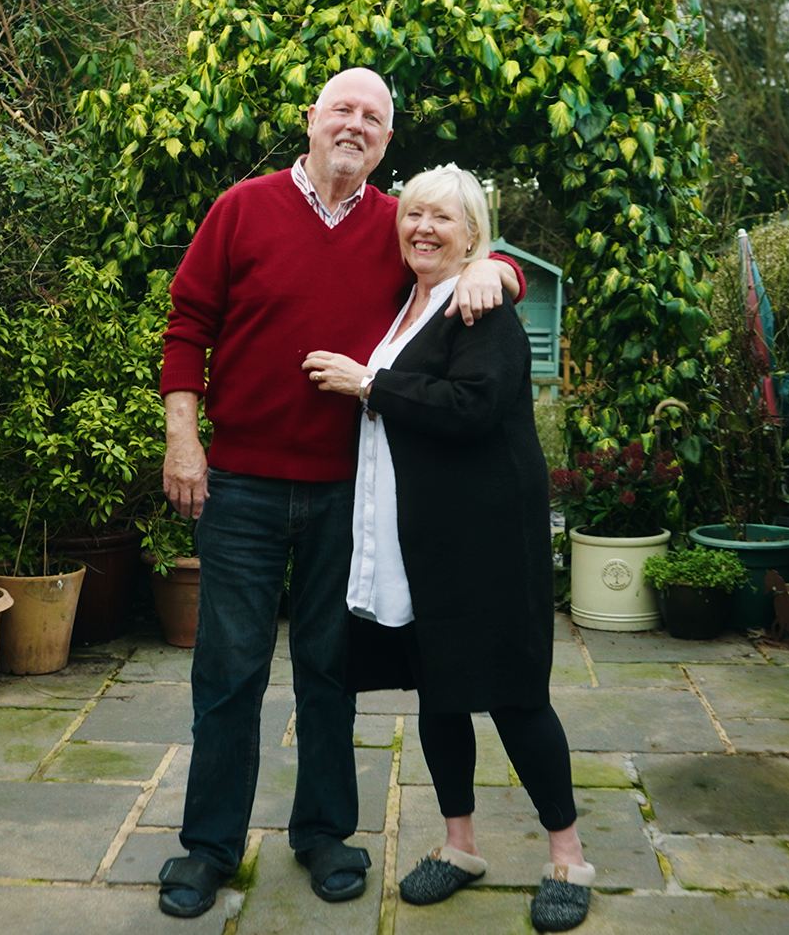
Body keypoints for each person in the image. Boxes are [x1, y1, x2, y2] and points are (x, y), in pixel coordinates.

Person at [155, 68, 525, 919]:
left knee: (329, 670)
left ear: (388, 141)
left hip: (347, 493)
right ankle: (207, 847)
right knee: (228, 672)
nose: (354, 126)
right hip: (241, 487)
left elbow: (461, 244)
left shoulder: (396, 223)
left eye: (374, 118)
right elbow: (187, 325)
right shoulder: (241, 208)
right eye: (342, 111)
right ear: (312, 120)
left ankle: (324, 833)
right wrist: (184, 440)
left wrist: (500, 270)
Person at [300, 165, 595, 932]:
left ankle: (568, 856)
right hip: (420, 540)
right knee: (440, 691)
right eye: (414, 214)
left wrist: (370, 385)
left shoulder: (481, 305)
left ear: (473, 235)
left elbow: (474, 407)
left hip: (488, 540)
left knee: (516, 695)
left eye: (443, 218)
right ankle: (460, 845)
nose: (423, 227)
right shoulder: (411, 303)